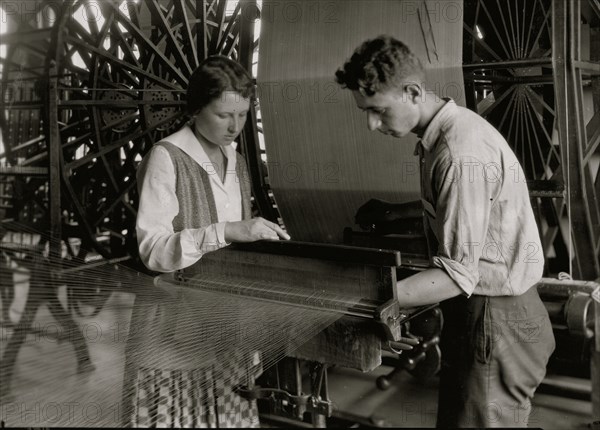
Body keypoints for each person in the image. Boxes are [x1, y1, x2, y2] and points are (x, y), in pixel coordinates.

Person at [335, 36, 555, 428]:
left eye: (378, 111)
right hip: (484, 316)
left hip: (497, 320)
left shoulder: (458, 153)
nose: (372, 124)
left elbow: (458, 273)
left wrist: (365, 297)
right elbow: (465, 215)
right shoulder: (444, 137)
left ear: (414, 92)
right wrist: (398, 213)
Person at [124, 55, 290, 428]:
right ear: (196, 108)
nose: (235, 127)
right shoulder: (166, 159)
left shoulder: (237, 161)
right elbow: (152, 251)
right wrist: (227, 231)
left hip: (225, 321)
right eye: (223, 115)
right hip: (171, 324)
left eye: (243, 115)